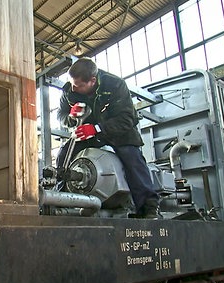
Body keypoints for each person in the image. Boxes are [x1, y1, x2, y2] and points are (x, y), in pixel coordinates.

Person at [55, 57, 160, 219]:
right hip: (87, 132)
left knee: (132, 159)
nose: (74, 89)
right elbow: (60, 115)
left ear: (92, 80)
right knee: (64, 155)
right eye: (72, 85)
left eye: (78, 86)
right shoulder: (69, 89)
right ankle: (60, 200)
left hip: (117, 131)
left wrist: (96, 128)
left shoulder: (115, 85)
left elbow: (126, 119)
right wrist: (70, 115)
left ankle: (148, 208)